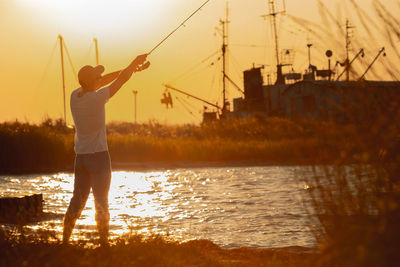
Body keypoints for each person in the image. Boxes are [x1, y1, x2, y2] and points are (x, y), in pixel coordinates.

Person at [63, 54, 150, 245]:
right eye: (97, 77)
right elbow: (121, 81)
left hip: (81, 158)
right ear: (91, 81)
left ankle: (64, 242)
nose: (100, 79)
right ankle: (104, 245)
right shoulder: (98, 98)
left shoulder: (74, 96)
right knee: (101, 202)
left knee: (77, 201)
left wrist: (130, 69)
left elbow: (110, 79)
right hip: (99, 157)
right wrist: (134, 62)